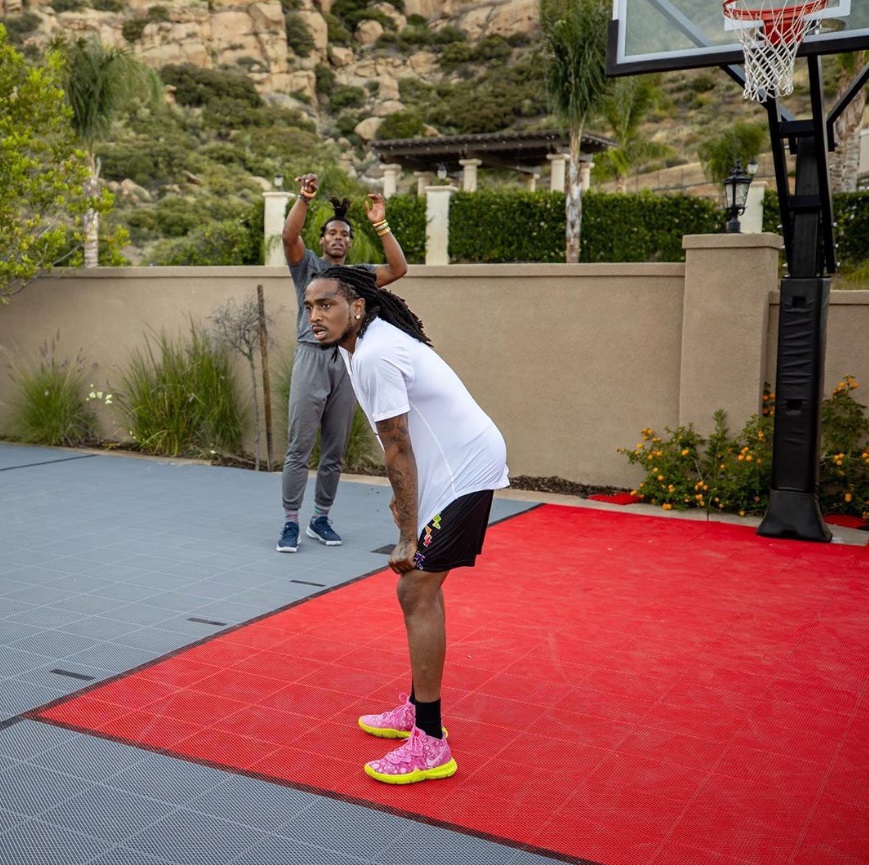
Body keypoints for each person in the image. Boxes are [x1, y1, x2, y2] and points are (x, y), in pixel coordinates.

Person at [303, 265, 509, 785]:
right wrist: (407, 509)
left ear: (356, 307)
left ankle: (431, 742)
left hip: (466, 469)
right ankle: (419, 711)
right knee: (420, 589)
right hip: (449, 467)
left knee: (415, 589)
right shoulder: (360, 344)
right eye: (309, 308)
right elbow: (397, 440)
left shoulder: (373, 353)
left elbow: (398, 444)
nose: (315, 316)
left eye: (326, 304)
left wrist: (406, 531)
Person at [277, 174, 407, 553]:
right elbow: (288, 238)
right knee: (298, 447)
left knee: (335, 449)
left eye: (344, 234)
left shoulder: (358, 277)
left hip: (346, 363)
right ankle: (290, 522)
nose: (337, 237)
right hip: (310, 360)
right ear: (322, 240)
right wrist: (304, 198)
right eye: (331, 233)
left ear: (350, 242)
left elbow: (398, 269)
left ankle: (320, 518)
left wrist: (381, 222)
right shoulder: (309, 268)